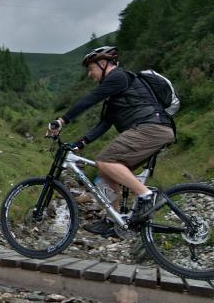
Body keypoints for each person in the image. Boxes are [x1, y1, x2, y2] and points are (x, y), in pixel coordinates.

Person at [48, 46, 175, 237]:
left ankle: (146, 196)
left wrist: (62, 120)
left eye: (91, 68)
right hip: (150, 130)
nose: (90, 74)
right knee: (105, 173)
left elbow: (90, 99)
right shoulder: (115, 93)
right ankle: (112, 220)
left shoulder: (119, 77)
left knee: (105, 160)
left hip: (151, 128)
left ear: (104, 64)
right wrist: (80, 143)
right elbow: (105, 123)